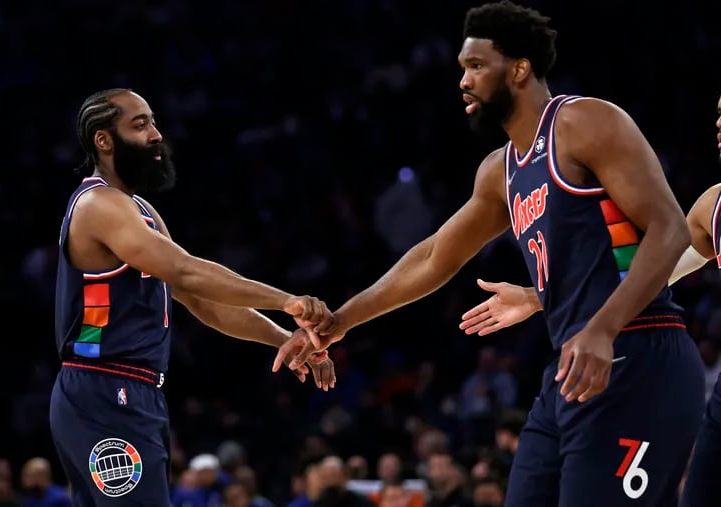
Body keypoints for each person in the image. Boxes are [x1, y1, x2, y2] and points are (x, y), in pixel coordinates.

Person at [275, 1, 705, 505]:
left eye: (476, 66)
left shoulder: (585, 122)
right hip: (572, 366)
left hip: (641, 355)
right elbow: (435, 255)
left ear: (520, 68)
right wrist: (342, 321)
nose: (463, 80)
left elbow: (671, 229)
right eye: (462, 68)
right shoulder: (500, 172)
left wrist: (603, 328)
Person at [50, 88, 336, 507]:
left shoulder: (139, 209)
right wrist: (289, 301)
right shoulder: (98, 204)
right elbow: (186, 269)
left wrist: (285, 340)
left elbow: (195, 294)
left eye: (153, 121)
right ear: (104, 140)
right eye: (140, 124)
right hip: (104, 388)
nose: (156, 135)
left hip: (131, 390)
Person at [458, 94, 721, 507]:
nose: (719, 122)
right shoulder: (712, 205)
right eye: (719, 111)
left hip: (648, 365)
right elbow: (654, 271)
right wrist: (538, 295)